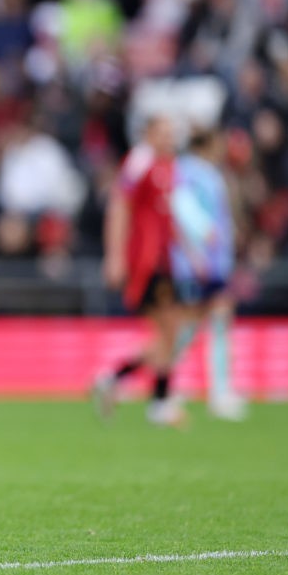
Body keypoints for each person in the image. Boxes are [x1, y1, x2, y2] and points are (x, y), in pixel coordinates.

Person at [93, 115, 186, 426]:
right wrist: (115, 256)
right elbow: (120, 206)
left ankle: (116, 379)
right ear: (148, 134)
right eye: (163, 132)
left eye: (171, 133)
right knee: (168, 326)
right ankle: (158, 401)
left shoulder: (167, 166)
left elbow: (169, 217)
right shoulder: (140, 162)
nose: (169, 138)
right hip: (145, 259)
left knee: (168, 330)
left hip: (163, 257)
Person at [169, 130, 247, 420]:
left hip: (212, 263)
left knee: (217, 320)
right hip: (197, 263)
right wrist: (204, 239)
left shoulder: (205, 173)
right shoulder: (190, 173)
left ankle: (218, 390)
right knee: (191, 325)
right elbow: (182, 210)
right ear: (205, 145)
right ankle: (171, 386)